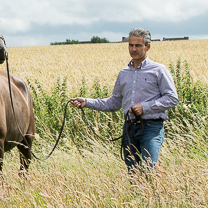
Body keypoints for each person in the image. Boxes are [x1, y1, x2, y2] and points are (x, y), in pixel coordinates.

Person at [70, 28, 178, 174]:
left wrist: (145, 107)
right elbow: (114, 103)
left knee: (149, 171)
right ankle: (137, 196)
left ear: (148, 46)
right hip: (129, 129)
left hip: (151, 128)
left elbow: (172, 98)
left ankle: (151, 195)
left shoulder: (159, 70)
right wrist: (86, 102)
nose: (133, 49)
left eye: (138, 45)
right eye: (131, 45)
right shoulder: (123, 73)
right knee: (133, 173)